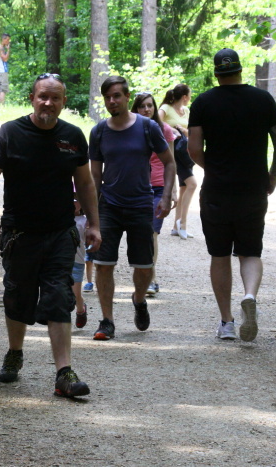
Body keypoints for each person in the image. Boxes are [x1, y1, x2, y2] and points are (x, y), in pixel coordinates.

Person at [0, 73, 101, 398]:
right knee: (18, 295)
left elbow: (85, 183)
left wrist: (94, 224)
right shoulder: (10, 132)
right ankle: (15, 352)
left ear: (63, 102)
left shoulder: (73, 136)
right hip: (20, 233)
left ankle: (64, 373)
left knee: (59, 296)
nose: (48, 103)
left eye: (55, 98)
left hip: (60, 232)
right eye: (43, 96)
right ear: (32, 98)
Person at [188, 48, 276, 342]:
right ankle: (250, 295)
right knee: (250, 252)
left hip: (217, 191)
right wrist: (272, 175)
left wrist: (214, 168)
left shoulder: (203, 102)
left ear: (216, 73)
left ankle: (227, 322)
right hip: (253, 189)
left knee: (220, 255)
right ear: (240, 70)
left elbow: (193, 149)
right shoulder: (263, 99)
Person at [89, 76, 176, 340]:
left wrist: (166, 196)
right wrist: (91, 211)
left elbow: (169, 162)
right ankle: (107, 321)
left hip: (140, 204)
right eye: (107, 97)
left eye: (117, 96)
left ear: (127, 97)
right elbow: (94, 175)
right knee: (104, 264)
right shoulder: (99, 131)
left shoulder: (148, 127)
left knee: (144, 265)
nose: (112, 101)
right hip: (109, 205)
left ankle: (139, 299)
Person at [130, 91, 177, 296]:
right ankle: (145, 274)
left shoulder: (164, 129)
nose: (146, 109)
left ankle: (150, 278)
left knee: (152, 232)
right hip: (136, 187)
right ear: (136, 108)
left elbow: (172, 161)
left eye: (150, 105)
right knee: (140, 233)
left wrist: (173, 190)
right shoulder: (129, 129)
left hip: (158, 187)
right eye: (142, 106)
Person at [160, 84, 197, 240]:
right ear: (184, 97)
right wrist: (172, 129)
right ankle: (183, 224)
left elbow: (191, 132)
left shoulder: (186, 111)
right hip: (173, 152)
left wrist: (182, 130)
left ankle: (177, 226)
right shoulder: (166, 108)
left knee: (184, 187)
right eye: (189, 95)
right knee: (192, 184)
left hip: (185, 152)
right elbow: (156, 122)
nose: (190, 97)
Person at [72, 192, 88, 328]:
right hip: (61, 261)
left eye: (76, 200)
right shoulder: (60, 219)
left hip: (77, 261)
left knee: (76, 293)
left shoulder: (85, 221)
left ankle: (80, 309)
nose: (73, 203)